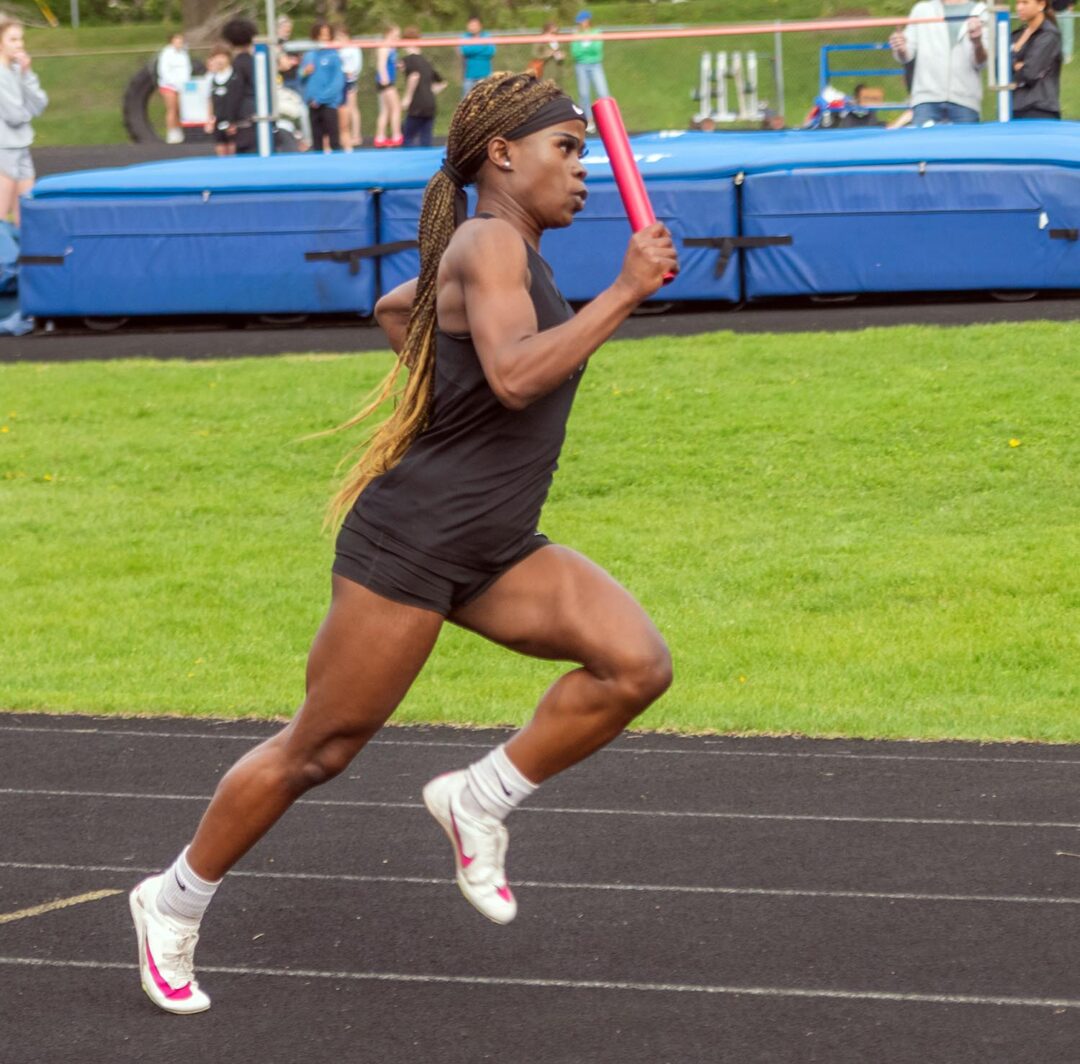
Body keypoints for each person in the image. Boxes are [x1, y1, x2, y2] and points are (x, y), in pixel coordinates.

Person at [128, 71, 677, 1017]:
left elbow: (400, 310)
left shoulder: (508, 252)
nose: (582, 171)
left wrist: (444, 391)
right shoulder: (488, 238)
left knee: (634, 665)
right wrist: (625, 290)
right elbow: (510, 378)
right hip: (413, 547)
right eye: (567, 149)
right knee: (321, 748)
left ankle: (480, 796)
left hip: (496, 547)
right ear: (503, 155)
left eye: (587, 151)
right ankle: (171, 900)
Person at [889, 0, 991, 124]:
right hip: (926, 100)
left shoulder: (981, 12)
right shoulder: (921, 10)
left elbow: (981, 62)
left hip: (965, 101)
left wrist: (977, 42)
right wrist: (901, 47)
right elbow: (906, 54)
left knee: (964, 143)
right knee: (922, 143)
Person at [0, 18, 47, 226]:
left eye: (21, 39)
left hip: (22, 145)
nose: (19, 45)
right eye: (12, 39)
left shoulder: (18, 70)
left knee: (26, 212)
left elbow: (40, 104)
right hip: (4, 148)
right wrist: (27, 110)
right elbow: (14, 116)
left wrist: (27, 74)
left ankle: (24, 255)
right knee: (1, 214)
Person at [1011, 0, 1063, 117]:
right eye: (1017, 3)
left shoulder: (1049, 35)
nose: (1019, 7)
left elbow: (1030, 73)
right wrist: (1018, 65)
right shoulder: (1016, 35)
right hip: (1014, 108)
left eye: (1025, 3)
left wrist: (1014, 66)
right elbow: (1001, 69)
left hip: (1040, 109)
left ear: (1041, 5)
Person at [300, 21, 346, 153]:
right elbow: (300, 78)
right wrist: (304, 72)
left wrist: (320, 99)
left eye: (327, 35)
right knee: (317, 142)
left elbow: (337, 82)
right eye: (321, 35)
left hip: (328, 104)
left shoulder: (334, 56)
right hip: (312, 104)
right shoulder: (309, 55)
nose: (324, 39)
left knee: (334, 141)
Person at [400, 26, 447, 147]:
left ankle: (408, 162)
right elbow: (442, 82)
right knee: (426, 138)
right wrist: (430, 91)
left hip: (417, 104)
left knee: (408, 136)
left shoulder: (408, 60)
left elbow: (414, 76)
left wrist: (407, 98)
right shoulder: (426, 61)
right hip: (430, 103)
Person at [221, 18, 258, 153]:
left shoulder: (239, 63)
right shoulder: (255, 61)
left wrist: (230, 119)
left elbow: (236, 92)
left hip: (245, 115)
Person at [570, 10, 608, 130]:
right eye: (579, 22)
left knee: (603, 93)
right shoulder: (576, 34)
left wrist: (585, 50)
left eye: (583, 21)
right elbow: (575, 52)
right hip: (581, 65)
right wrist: (586, 51)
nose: (581, 24)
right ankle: (589, 121)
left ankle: (607, 121)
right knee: (584, 94)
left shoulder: (596, 32)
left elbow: (596, 50)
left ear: (588, 21)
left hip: (595, 64)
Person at [156, 32, 192, 145]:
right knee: (171, 109)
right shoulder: (166, 53)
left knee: (179, 109)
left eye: (181, 40)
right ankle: (171, 133)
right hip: (169, 85)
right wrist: (174, 83)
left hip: (182, 86)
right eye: (177, 40)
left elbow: (187, 69)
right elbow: (164, 71)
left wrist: (184, 84)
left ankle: (180, 131)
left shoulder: (184, 53)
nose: (179, 43)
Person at [204, 46, 239, 156]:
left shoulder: (235, 76)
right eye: (216, 57)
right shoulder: (211, 78)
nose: (219, 60)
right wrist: (209, 119)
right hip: (218, 119)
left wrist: (235, 121)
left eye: (222, 57)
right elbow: (209, 99)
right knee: (220, 148)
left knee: (233, 148)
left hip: (233, 120)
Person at [374, 23, 403, 147]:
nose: (397, 38)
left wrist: (397, 65)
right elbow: (381, 64)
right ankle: (396, 135)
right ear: (388, 34)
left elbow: (390, 63)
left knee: (385, 110)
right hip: (386, 82)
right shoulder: (384, 47)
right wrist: (385, 79)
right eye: (395, 35)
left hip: (387, 81)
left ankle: (380, 137)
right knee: (396, 108)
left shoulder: (392, 48)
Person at [336, 24, 362, 150]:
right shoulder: (338, 49)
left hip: (350, 80)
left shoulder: (353, 48)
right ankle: (344, 135)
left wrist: (350, 72)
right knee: (342, 109)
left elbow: (356, 65)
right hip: (340, 81)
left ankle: (356, 134)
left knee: (352, 107)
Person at [460, 15, 495, 96]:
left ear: (480, 26)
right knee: (466, 102)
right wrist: (482, 47)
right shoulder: (465, 37)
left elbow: (490, 52)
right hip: (469, 76)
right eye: (471, 25)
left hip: (485, 76)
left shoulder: (487, 36)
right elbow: (465, 51)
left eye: (475, 25)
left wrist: (473, 49)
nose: (473, 27)